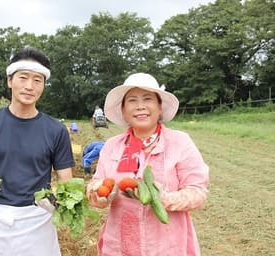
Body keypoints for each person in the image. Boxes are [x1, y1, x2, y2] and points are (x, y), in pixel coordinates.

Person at [0, 47, 75, 256]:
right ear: (10, 81)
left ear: (43, 86)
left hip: (37, 219)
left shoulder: (56, 129)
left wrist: (60, 204)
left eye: (37, 80)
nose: (30, 86)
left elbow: (67, 183)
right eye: (23, 78)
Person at [86, 73, 209, 256]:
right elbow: (96, 184)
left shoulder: (179, 142)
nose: (140, 106)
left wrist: (164, 198)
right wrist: (99, 193)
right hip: (120, 246)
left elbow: (198, 192)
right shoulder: (113, 146)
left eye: (148, 99)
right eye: (132, 100)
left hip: (168, 247)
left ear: (160, 108)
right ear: (124, 111)